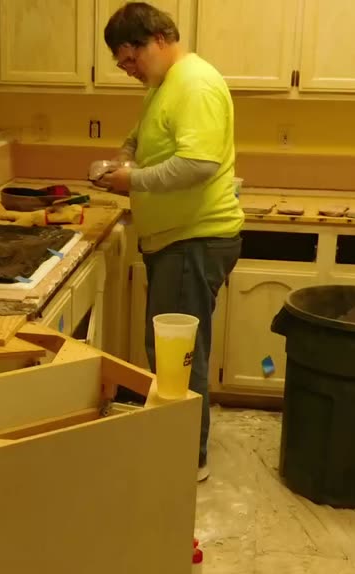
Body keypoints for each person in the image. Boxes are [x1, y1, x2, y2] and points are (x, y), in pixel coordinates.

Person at [95, 2, 243, 483]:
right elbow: (141, 140)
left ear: (157, 39)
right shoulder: (163, 85)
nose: (128, 70)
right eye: (121, 64)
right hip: (178, 241)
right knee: (173, 352)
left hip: (193, 241)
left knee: (178, 357)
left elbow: (196, 165)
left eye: (129, 59)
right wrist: (120, 159)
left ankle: (186, 459)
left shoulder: (194, 85)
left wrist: (129, 182)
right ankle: (180, 442)